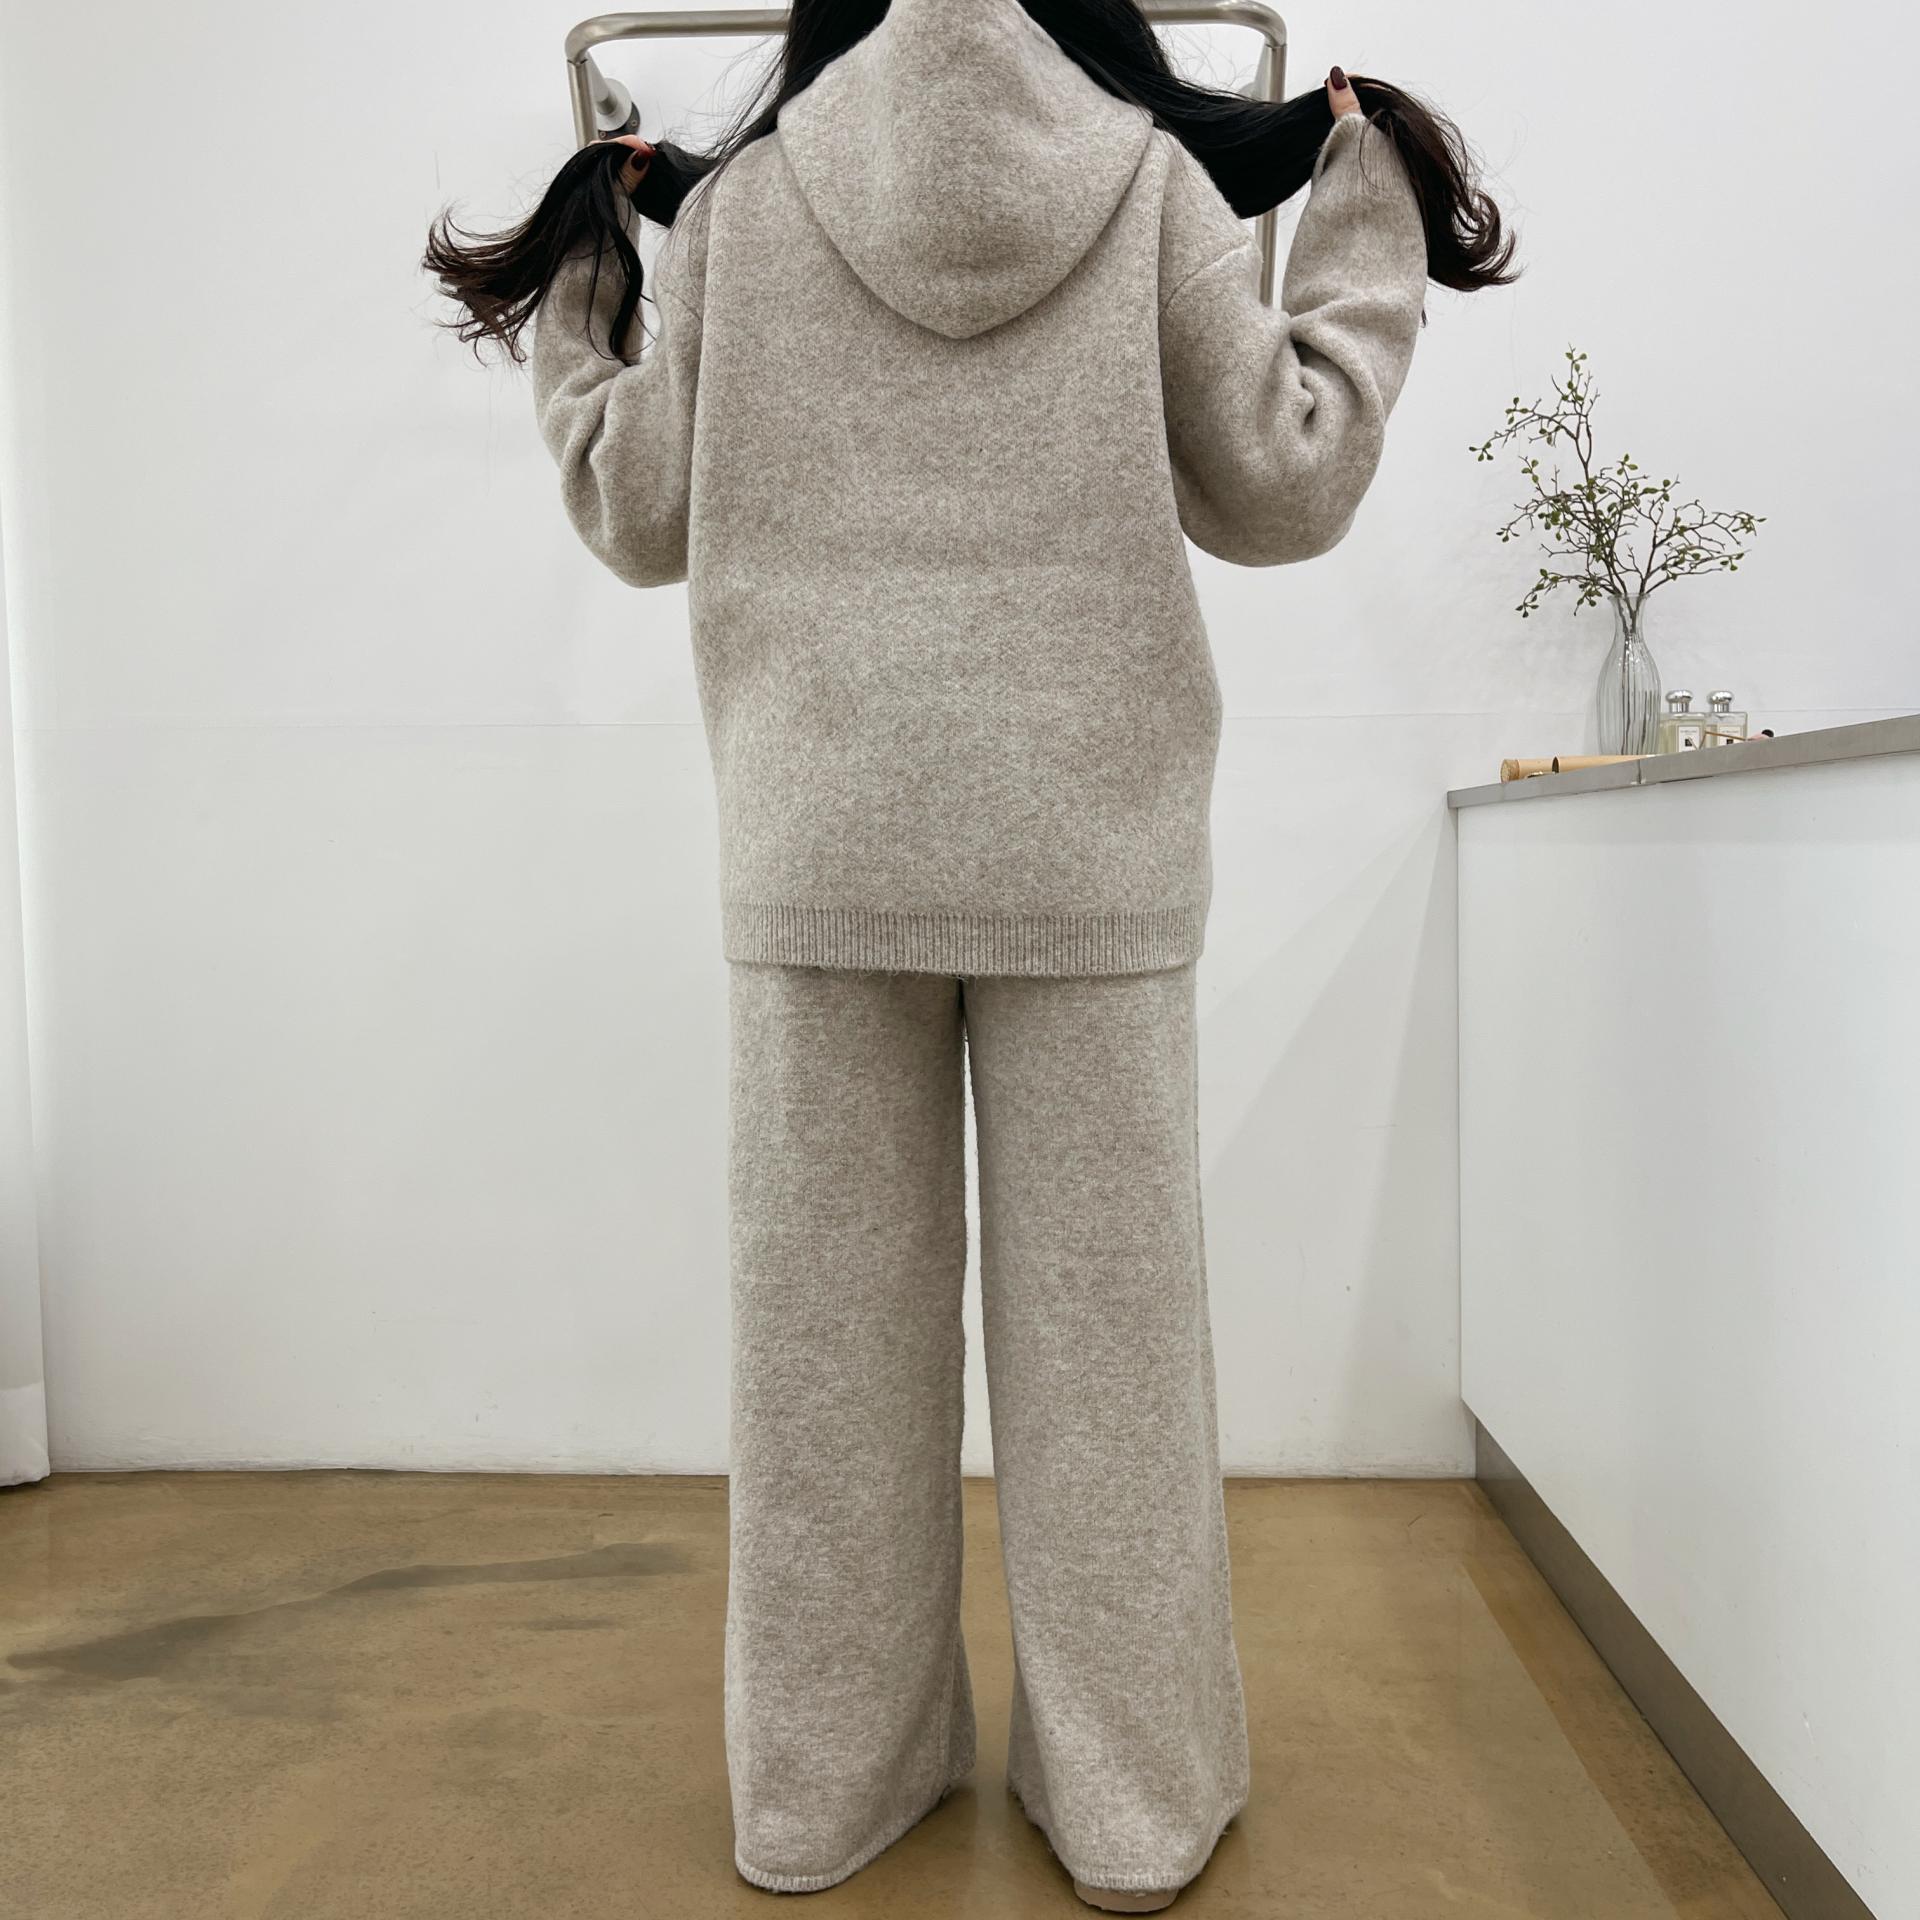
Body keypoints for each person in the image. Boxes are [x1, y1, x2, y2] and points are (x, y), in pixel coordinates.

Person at [426, 1, 1513, 1907]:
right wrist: (1357, 221)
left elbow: (636, 508)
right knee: (1112, 1371)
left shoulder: (745, 215)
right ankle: (1133, 1807)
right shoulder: (1151, 188)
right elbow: (1287, 482)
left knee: (824, 1370)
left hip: (819, 847)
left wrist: (591, 288)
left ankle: (817, 1794)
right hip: (1089, 854)